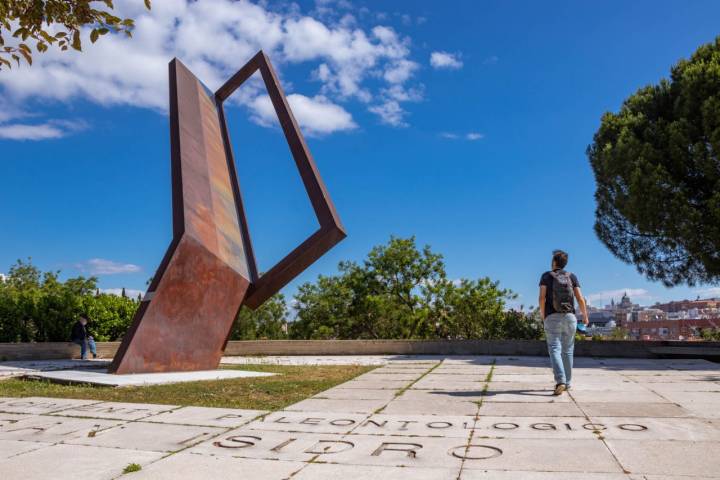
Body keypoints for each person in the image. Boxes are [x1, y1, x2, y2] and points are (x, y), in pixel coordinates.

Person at [538, 250, 588, 395]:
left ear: (554, 261)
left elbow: (542, 298)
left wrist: (543, 315)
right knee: (568, 351)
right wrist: (585, 316)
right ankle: (568, 383)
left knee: (554, 348)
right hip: (570, 317)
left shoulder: (546, 276)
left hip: (552, 316)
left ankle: (560, 381)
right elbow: (580, 298)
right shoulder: (571, 276)